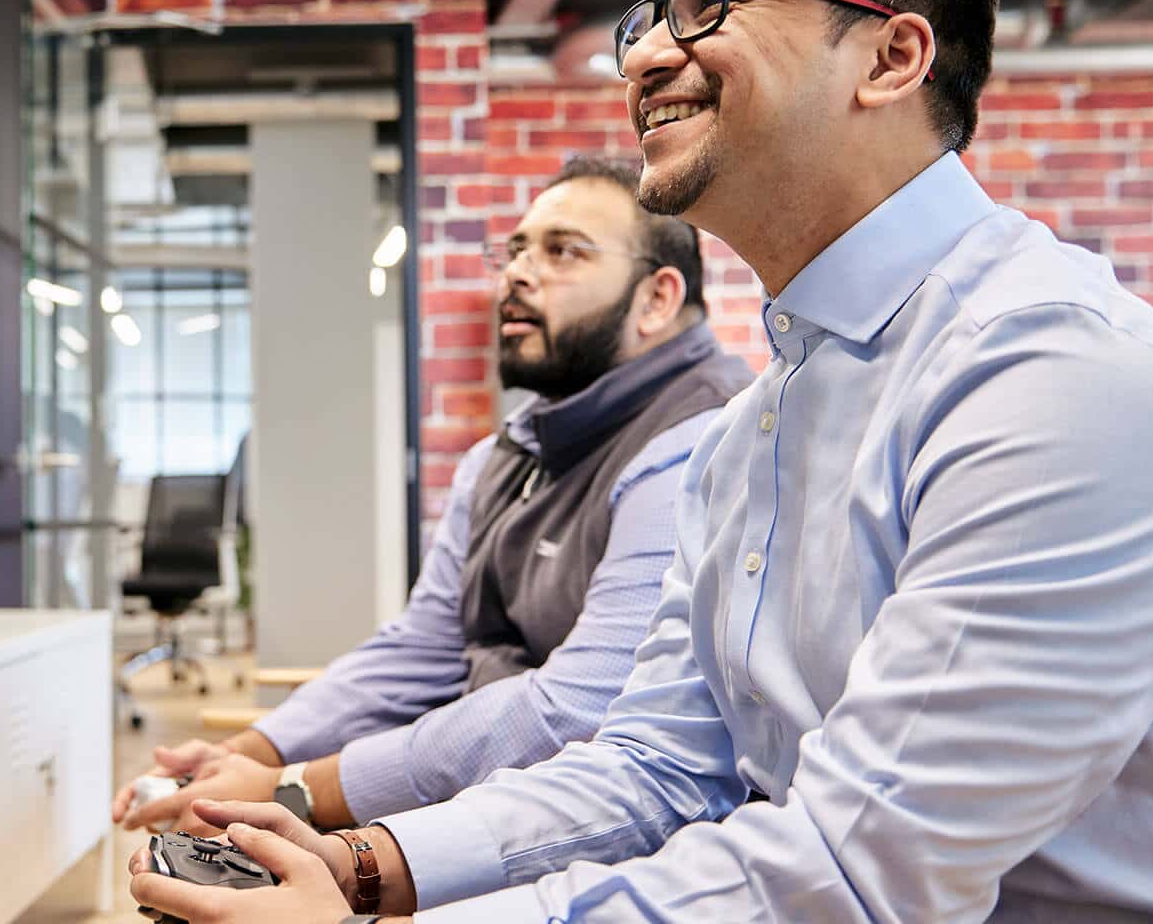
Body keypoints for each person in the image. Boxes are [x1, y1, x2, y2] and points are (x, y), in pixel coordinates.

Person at [130, 0, 1153, 924]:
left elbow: (857, 867)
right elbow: (654, 764)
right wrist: (358, 868)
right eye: (647, 22)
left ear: (890, 58)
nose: (637, 58)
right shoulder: (760, 424)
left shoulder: (1054, 377)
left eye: (714, 4)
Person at [114, 158, 752, 838]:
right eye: (514, 251)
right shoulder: (508, 453)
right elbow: (425, 643)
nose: (517, 274)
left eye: (562, 251)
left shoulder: (697, 443)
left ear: (656, 298)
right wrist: (252, 751)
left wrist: (295, 789)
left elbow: (577, 710)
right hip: (506, 813)